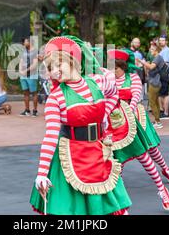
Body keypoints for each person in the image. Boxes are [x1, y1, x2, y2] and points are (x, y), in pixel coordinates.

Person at [30, 36, 132, 215]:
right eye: (50, 68)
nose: (54, 71)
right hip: (72, 157)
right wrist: (41, 173)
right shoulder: (56, 98)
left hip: (99, 153)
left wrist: (104, 115)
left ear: (72, 60)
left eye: (58, 64)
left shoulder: (97, 81)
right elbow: (51, 136)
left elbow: (113, 93)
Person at [107, 49, 169, 211]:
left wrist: (128, 112)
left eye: (115, 68)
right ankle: (120, 198)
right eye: (111, 68)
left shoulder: (133, 78)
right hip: (114, 123)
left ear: (123, 67)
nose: (112, 71)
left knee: (146, 153)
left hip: (133, 119)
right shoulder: (107, 79)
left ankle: (162, 185)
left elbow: (136, 95)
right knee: (117, 160)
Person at [138, 44, 165, 129]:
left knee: (152, 102)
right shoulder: (156, 58)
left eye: (152, 49)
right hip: (155, 82)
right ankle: (157, 120)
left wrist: (142, 62)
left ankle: (158, 121)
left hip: (155, 83)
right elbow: (149, 70)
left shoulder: (158, 58)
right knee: (155, 102)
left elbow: (151, 67)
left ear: (156, 50)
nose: (150, 51)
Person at [19, 37, 39, 117]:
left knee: (34, 93)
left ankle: (35, 111)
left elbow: (34, 65)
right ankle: (27, 110)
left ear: (30, 42)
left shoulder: (35, 52)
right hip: (23, 76)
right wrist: (20, 71)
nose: (24, 42)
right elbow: (21, 61)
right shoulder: (23, 51)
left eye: (25, 41)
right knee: (25, 93)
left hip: (32, 75)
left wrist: (25, 71)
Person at [158, 35, 169, 120]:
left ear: (166, 42)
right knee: (161, 93)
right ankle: (164, 111)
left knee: (165, 93)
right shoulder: (163, 50)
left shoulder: (166, 51)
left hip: (165, 74)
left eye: (163, 40)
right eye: (160, 40)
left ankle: (166, 113)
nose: (161, 42)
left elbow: (165, 63)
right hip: (162, 74)